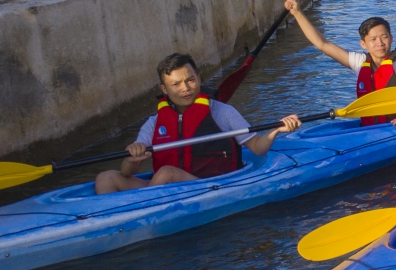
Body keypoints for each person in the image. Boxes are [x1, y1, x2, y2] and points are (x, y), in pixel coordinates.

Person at [94, 53, 301, 193]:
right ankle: (108, 224)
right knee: (105, 178)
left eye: (190, 80)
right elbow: (128, 172)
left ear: (199, 79)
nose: (185, 88)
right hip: (163, 188)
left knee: (166, 172)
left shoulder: (222, 112)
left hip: (209, 185)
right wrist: (132, 159)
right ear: (164, 90)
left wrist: (276, 130)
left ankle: (139, 214)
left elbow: (258, 148)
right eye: (175, 84)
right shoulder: (154, 122)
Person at [284, 0, 396, 130]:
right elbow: (322, 44)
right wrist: (297, 13)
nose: (380, 43)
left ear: (391, 37)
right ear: (363, 44)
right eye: (373, 39)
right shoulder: (360, 63)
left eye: (384, 37)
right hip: (371, 129)